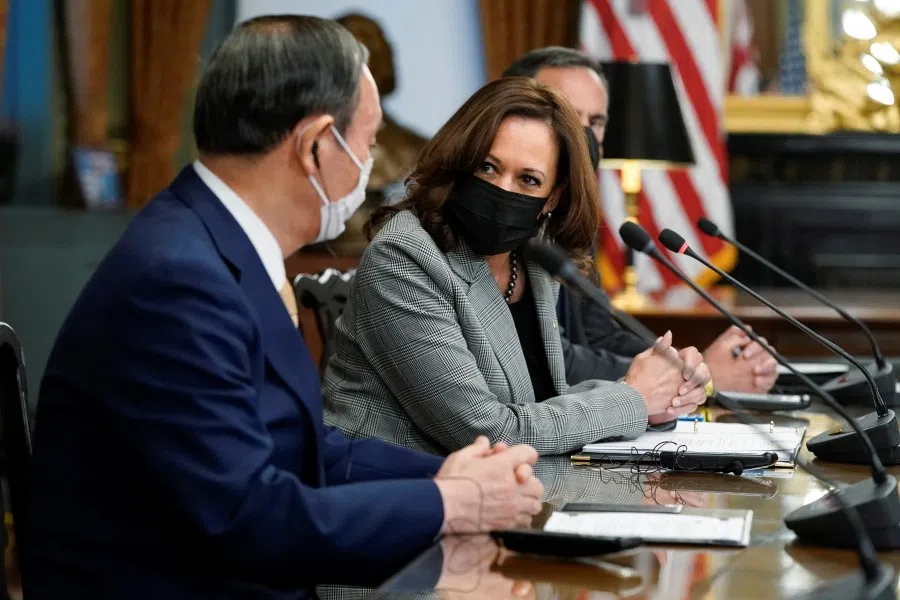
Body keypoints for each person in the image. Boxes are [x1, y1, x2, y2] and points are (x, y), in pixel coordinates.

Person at [22, 16, 545, 599]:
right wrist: (450, 504)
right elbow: (247, 519)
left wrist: (454, 477)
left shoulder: (215, 245)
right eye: (368, 142)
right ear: (316, 145)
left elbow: (303, 448)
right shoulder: (179, 282)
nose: (370, 162)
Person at [322, 76, 711, 457]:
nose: (503, 190)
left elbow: (542, 394)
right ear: (459, 161)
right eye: (488, 167)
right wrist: (632, 398)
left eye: (528, 179)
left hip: (501, 482)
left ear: (552, 198)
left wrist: (658, 392)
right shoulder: (405, 259)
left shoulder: (532, 258)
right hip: (395, 481)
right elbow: (490, 432)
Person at [502, 47, 779, 394]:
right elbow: (552, 361)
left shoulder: (572, 217)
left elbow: (600, 335)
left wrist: (687, 364)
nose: (583, 135)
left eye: (596, 122)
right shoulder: (504, 219)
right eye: (568, 116)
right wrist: (694, 378)